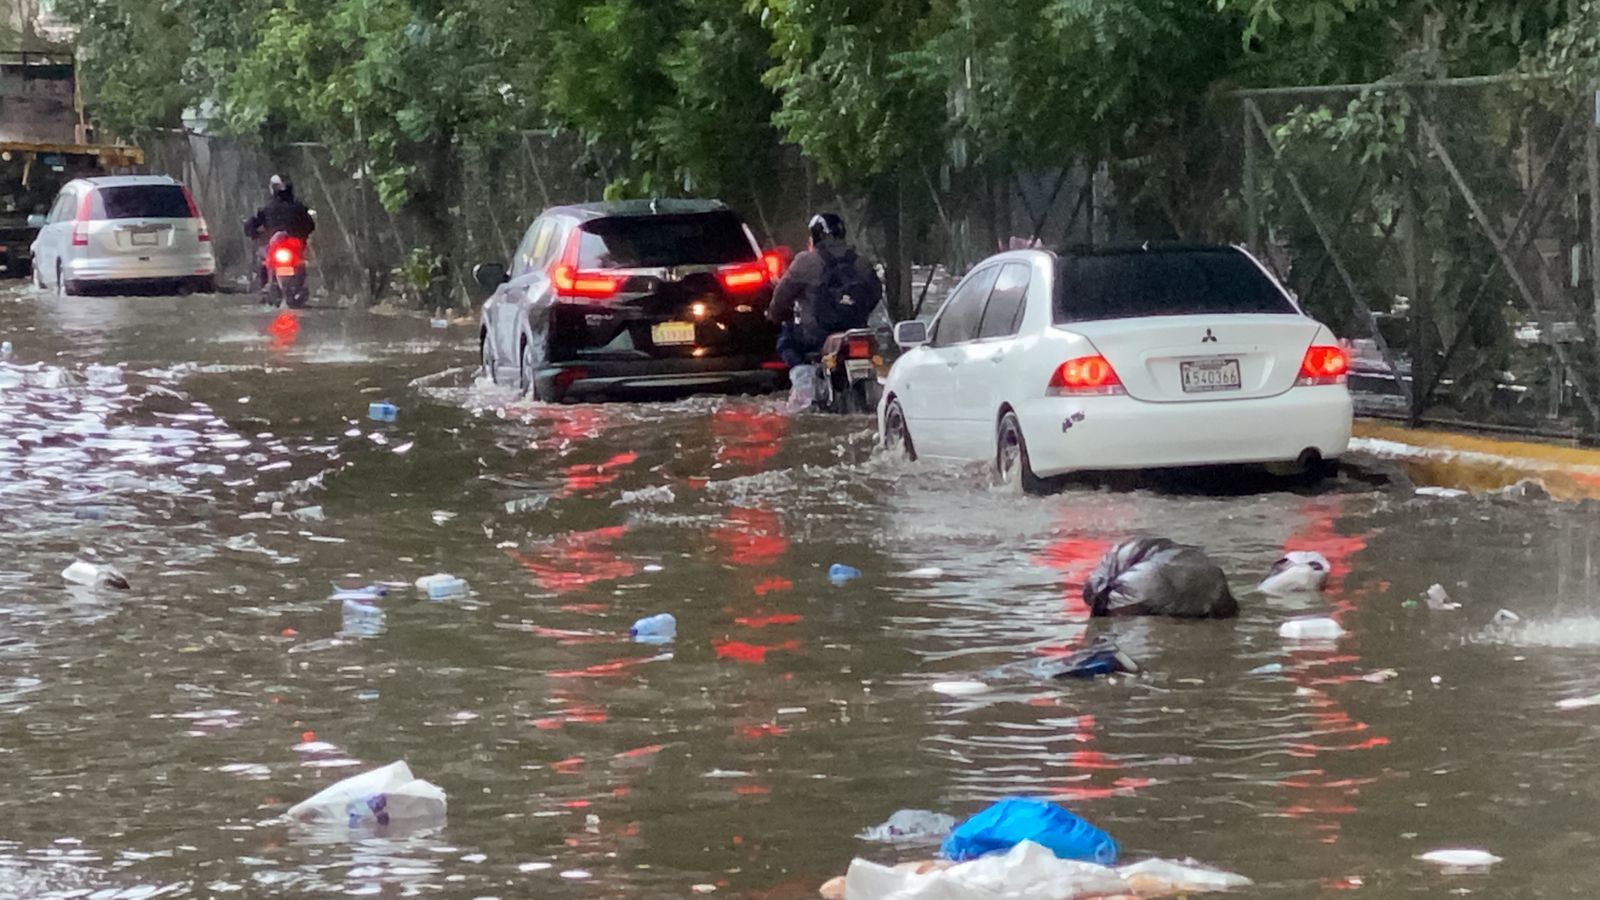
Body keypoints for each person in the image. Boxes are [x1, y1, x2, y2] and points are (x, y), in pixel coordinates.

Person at [766, 212, 883, 369]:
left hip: (816, 336)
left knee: (786, 341)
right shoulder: (861, 262)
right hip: (856, 332)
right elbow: (876, 294)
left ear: (815, 235)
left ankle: (805, 384)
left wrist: (774, 314)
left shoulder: (805, 262)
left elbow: (781, 298)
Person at [244, 175, 316, 283]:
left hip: (283, 247)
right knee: (265, 260)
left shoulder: (268, 208)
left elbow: (253, 224)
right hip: (289, 246)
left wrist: (254, 233)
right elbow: (310, 225)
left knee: (265, 260)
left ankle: (267, 286)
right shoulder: (298, 206)